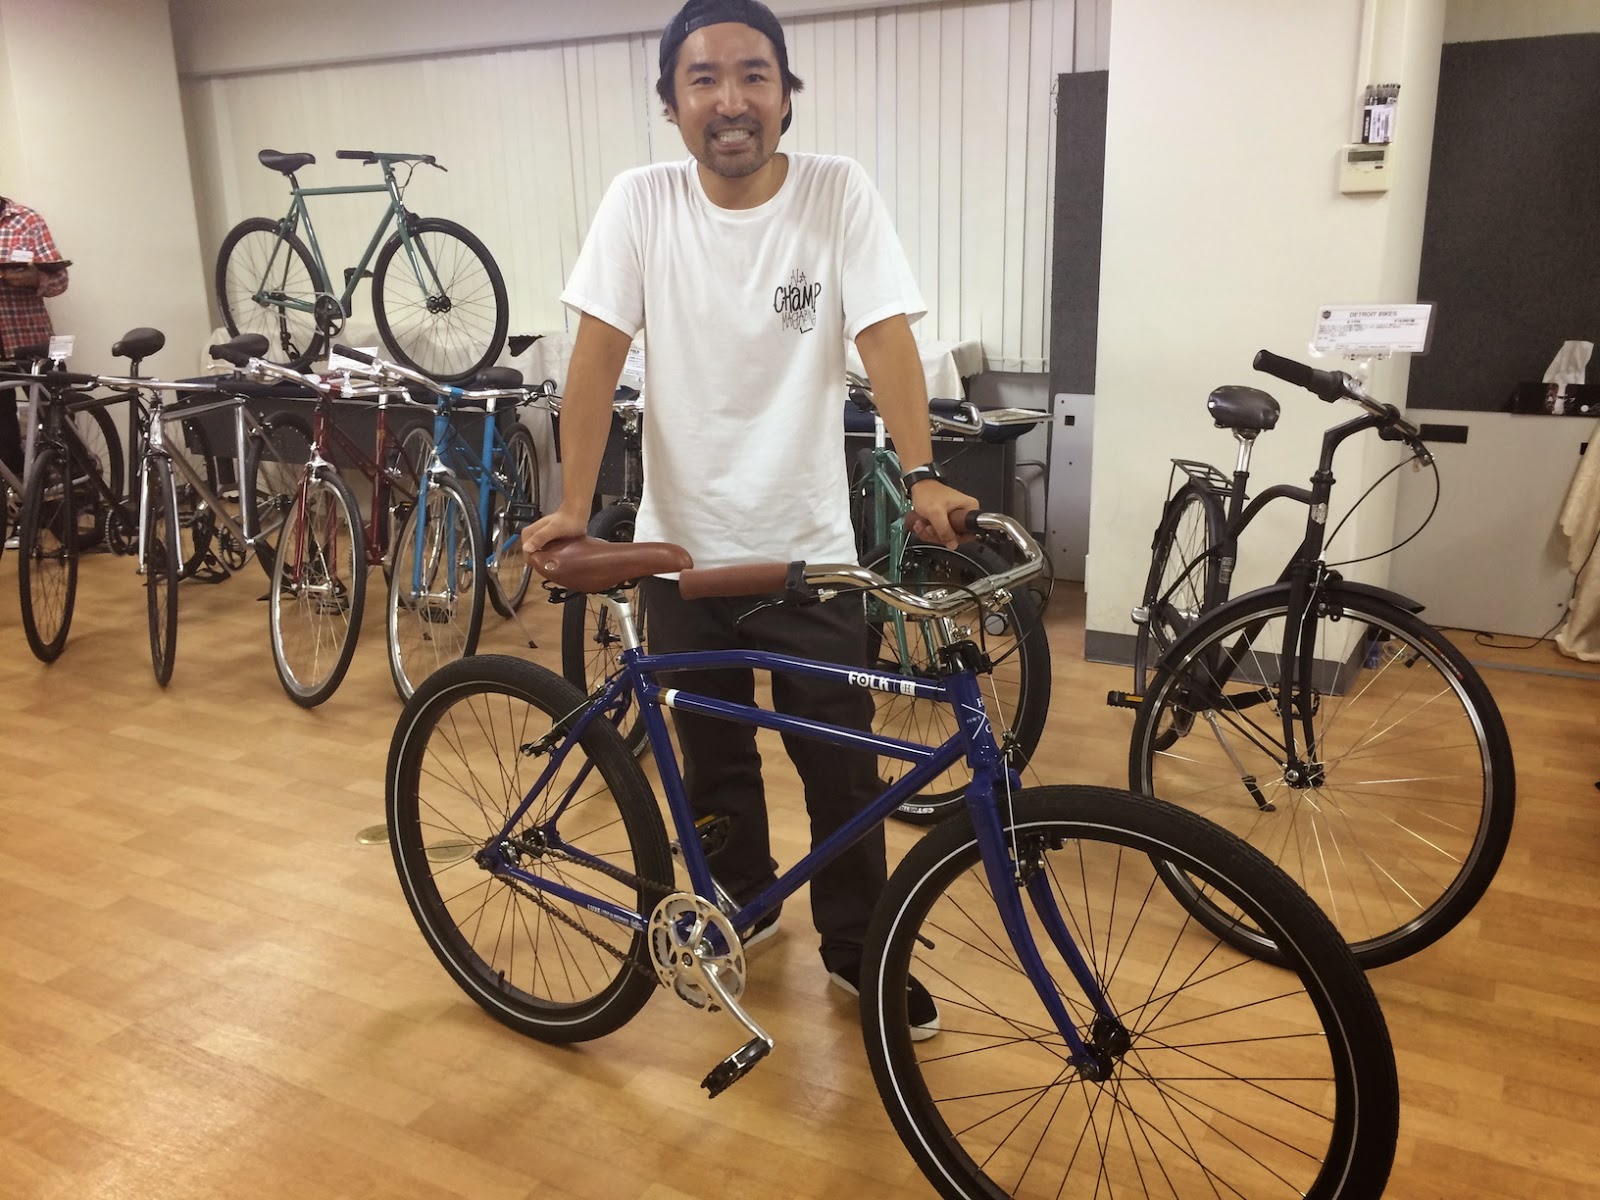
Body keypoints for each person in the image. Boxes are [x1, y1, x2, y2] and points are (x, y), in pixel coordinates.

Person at [522, 0, 976, 1039]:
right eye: (704, 79)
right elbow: (594, 356)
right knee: (713, 753)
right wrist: (574, 506)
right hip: (682, 550)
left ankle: (859, 949)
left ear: (785, 93)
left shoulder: (834, 190)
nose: (730, 100)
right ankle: (744, 901)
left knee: (840, 764)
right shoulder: (640, 203)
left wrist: (922, 474)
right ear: (670, 104)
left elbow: (885, 334)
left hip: (806, 550)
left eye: (753, 75)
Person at [0, 194, 70, 495]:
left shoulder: (26, 220)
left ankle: (82, 498)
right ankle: (21, 508)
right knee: (3, 438)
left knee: (61, 425)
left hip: (32, 341)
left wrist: (34, 279)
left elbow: (60, 280)